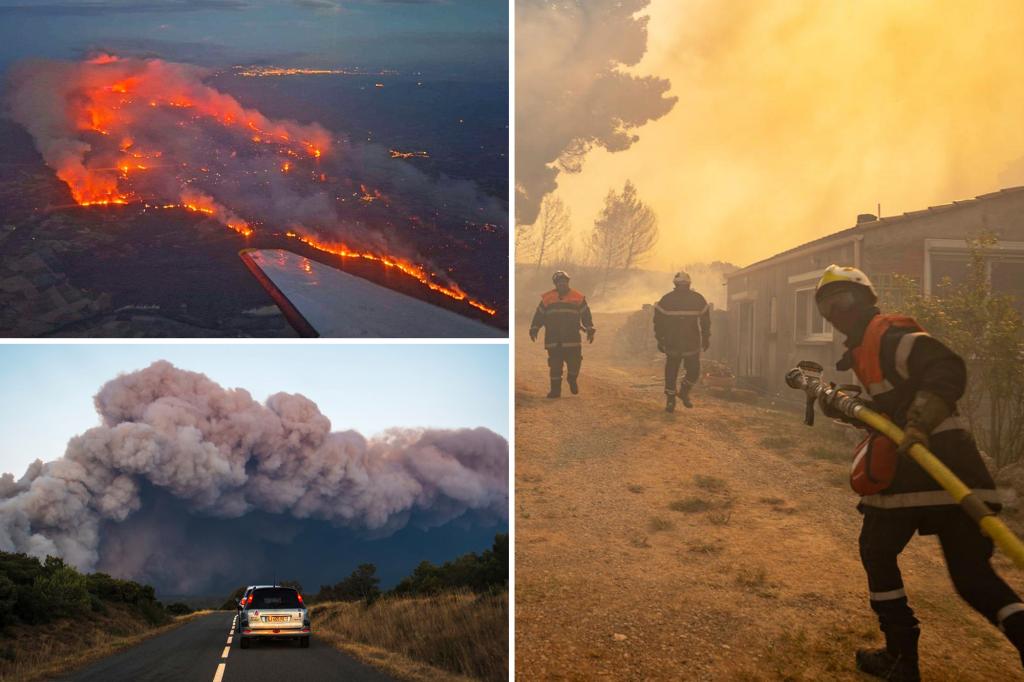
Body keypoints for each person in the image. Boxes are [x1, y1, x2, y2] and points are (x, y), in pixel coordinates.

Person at [814, 264, 1024, 680]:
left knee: (878, 552)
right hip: (960, 475)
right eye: (827, 305)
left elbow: (947, 368)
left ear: (867, 299)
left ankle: (900, 657)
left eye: (845, 300)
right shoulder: (866, 347)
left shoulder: (888, 334)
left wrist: (919, 421)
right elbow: (891, 409)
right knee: (973, 578)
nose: (837, 311)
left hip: (918, 474)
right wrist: (852, 408)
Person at [529, 271, 595, 398]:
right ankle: (555, 391)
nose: (562, 284)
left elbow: (586, 314)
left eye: (564, 282)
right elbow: (539, 315)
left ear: (568, 282)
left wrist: (589, 328)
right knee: (555, 366)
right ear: (555, 284)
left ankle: (572, 378)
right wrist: (534, 328)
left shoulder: (577, 297)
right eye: (560, 282)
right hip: (553, 340)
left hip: (572, 339)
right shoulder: (547, 299)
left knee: (574, 363)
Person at [653, 271, 710, 412]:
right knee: (673, 372)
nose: (682, 287)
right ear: (676, 284)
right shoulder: (668, 300)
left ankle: (683, 391)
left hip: (688, 342)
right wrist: (660, 339)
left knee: (692, 371)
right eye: (680, 285)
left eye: (684, 285)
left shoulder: (696, 299)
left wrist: (706, 337)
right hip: (676, 342)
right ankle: (671, 399)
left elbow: (705, 321)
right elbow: (658, 322)